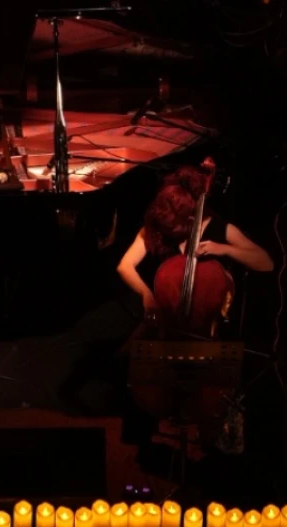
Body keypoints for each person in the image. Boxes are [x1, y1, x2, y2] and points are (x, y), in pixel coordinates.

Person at [116, 165, 273, 458]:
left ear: (190, 218)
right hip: (167, 323)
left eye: (174, 228)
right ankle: (146, 443)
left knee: (232, 385)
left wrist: (225, 249)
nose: (167, 233)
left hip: (208, 331)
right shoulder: (158, 228)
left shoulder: (220, 229)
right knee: (125, 362)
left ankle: (216, 445)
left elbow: (265, 262)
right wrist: (147, 294)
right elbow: (125, 266)